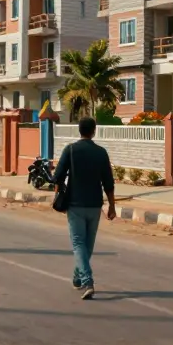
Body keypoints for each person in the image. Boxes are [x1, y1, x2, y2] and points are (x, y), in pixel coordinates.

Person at [51, 117, 117, 300]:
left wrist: (57, 195)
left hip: (75, 205)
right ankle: (77, 278)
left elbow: (57, 177)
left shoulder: (70, 150)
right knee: (87, 245)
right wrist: (112, 205)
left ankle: (87, 280)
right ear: (93, 131)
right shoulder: (101, 153)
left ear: (79, 130)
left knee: (79, 244)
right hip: (95, 205)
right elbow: (108, 183)